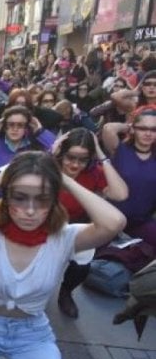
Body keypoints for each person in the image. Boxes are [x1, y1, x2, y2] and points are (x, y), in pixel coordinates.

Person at [0, 151, 126, 359]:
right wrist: (0, 178)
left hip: (32, 334)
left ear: (54, 200)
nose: (30, 210)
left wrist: (64, 179)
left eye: (43, 199)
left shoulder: (65, 237)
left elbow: (114, 223)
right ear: (7, 196)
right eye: (20, 198)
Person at [52, 128, 128, 317]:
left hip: (77, 225)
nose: (75, 164)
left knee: (82, 265)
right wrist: (50, 155)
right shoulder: (49, 166)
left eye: (83, 159)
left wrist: (102, 155)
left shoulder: (93, 173)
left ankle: (66, 292)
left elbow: (120, 194)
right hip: (45, 223)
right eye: (70, 157)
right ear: (61, 152)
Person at [102, 105, 156, 254]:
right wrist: (129, 125)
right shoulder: (120, 149)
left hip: (141, 221)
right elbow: (108, 128)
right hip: (111, 219)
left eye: (153, 129)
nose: (148, 133)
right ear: (133, 129)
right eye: (143, 128)